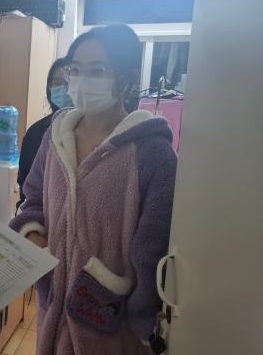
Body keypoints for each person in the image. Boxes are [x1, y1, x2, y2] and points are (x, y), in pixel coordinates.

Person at [9, 24, 177, 355]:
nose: (82, 80)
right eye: (75, 70)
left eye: (97, 70)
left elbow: (152, 247)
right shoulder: (55, 137)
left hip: (112, 323)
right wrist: (34, 239)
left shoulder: (153, 153)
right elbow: (33, 198)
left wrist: (143, 319)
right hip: (53, 305)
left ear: (127, 79)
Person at [16, 56, 74, 210]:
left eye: (67, 82)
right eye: (56, 83)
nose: (62, 88)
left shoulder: (93, 131)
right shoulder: (36, 133)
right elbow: (26, 187)